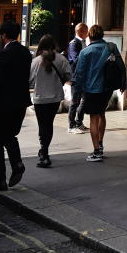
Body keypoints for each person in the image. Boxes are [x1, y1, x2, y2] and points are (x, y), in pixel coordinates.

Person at [0, 21, 32, 191]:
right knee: (9, 135)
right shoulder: (26, 53)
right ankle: (16, 164)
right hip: (21, 102)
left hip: (4, 103)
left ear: (4, 35)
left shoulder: (4, 54)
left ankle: (0, 180)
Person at [73, 24, 117, 163]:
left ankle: (96, 150)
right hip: (107, 88)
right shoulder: (111, 47)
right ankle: (101, 143)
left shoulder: (86, 52)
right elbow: (119, 67)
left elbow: (79, 74)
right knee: (102, 114)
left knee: (93, 118)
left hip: (92, 89)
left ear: (90, 35)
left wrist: (78, 91)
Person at [28, 34, 72, 168]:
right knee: (49, 124)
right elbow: (69, 75)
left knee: (42, 125)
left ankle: (44, 153)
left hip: (40, 98)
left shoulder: (36, 61)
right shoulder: (61, 59)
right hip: (55, 98)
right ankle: (44, 150)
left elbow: (29, 80)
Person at [66, 22, 89, 133]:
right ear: (80, 31)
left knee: (85, 100)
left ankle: (79, 122)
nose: (88, 33)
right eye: (86, 31)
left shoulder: (83, 43)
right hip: (76, 77)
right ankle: (71, 125)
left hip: (84, 76)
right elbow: (75, 60)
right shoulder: (74, 43)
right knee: (75, 101)